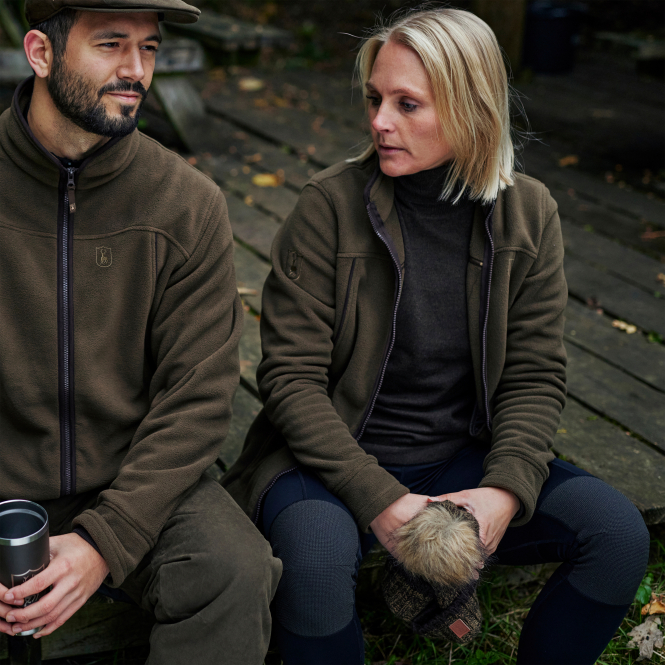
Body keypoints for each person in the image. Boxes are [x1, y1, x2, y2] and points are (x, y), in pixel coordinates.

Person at [223, 7, 650, 665]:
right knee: (315, 561)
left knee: (618, 535)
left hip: (458, 456)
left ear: (471, 108)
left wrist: (504, 490)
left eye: (407, 104)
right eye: (375, 99)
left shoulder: (528, 213)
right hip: (327, 462)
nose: (378, 121)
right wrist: (381, 500)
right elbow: (289, 380)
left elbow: (533, 374)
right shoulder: (328, 207)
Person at [0, 0, 281, 662]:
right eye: (111, 44)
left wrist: (104, 540)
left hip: (132, 480)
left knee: (233, 570)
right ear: (40, 53)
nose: (136, 70)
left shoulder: (187, 204)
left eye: (148, 47)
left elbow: (198, 397)